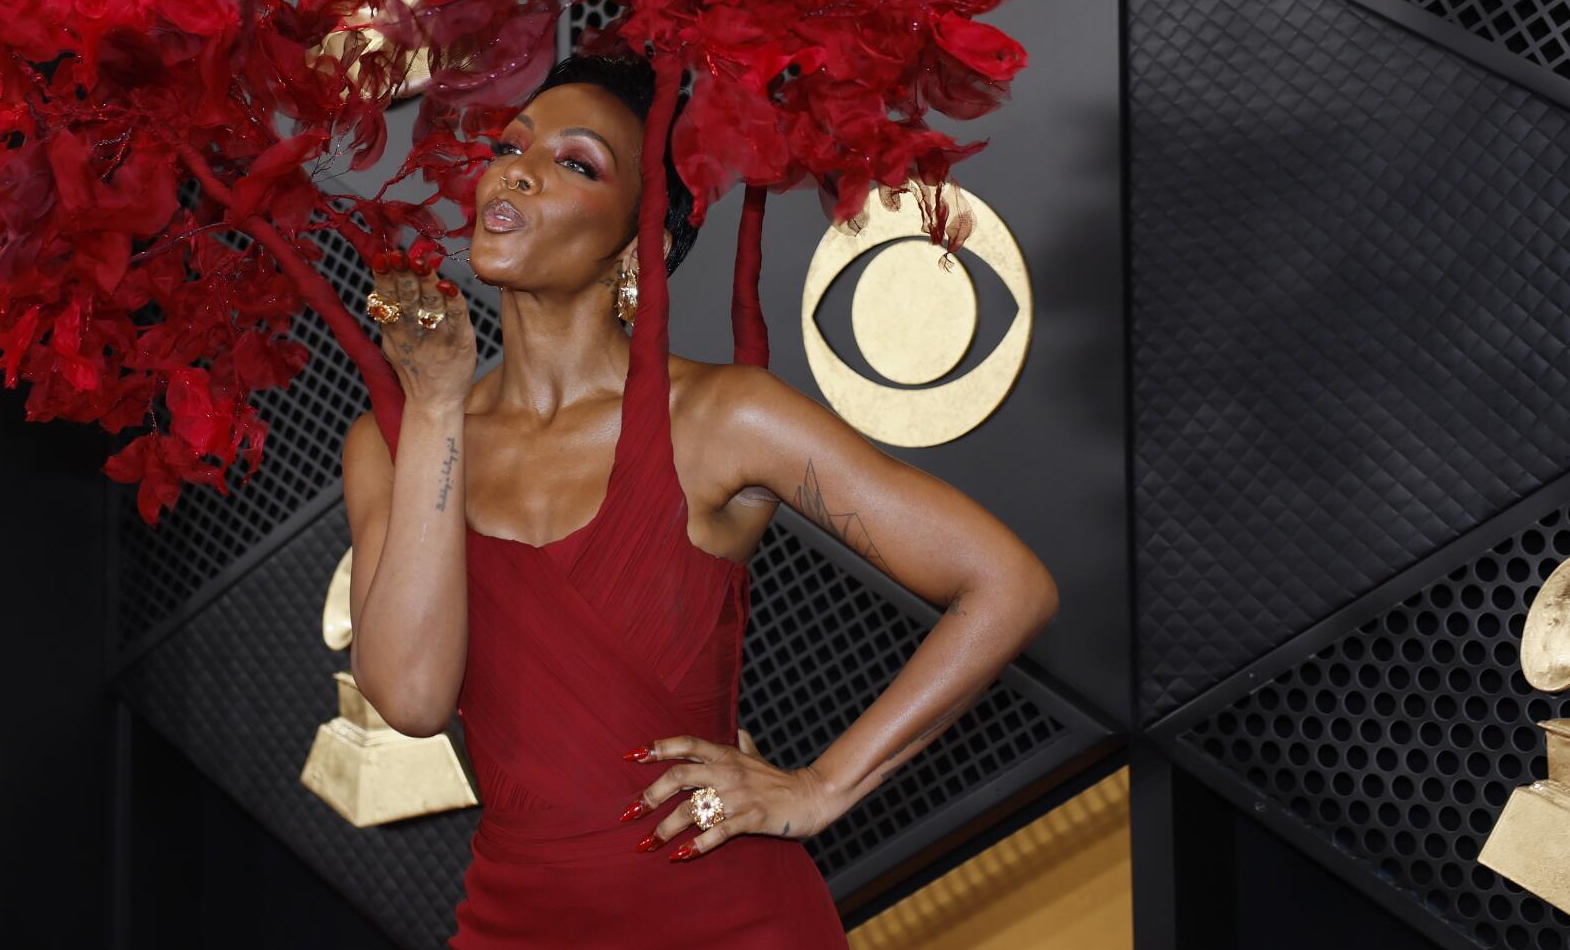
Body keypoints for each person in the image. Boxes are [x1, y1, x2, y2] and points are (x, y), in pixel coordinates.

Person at [341, 50, 1059, 946]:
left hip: (731, 920)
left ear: (640, 243)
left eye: (576, 162)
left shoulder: (724, 419)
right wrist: (441, 403)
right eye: (509, 144)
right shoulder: (394, 443)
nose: (515, 167)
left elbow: (1007, 584)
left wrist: (820, 786)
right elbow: (410, 699)